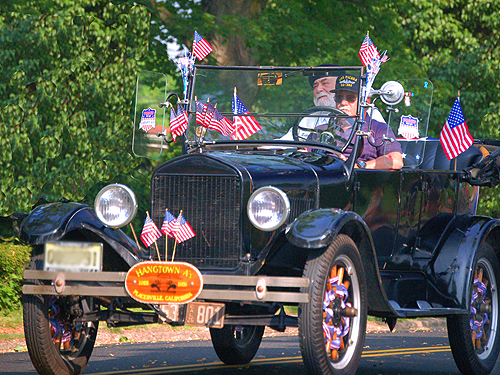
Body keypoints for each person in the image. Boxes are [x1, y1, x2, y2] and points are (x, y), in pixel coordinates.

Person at [332, 74, 403, 170]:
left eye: (350, 98)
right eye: (339, 98)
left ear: (366, 101)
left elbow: (396, 161)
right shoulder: (322, 128)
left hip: (359, 180)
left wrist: (358, 166)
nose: (343, 102)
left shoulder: (379, 129)